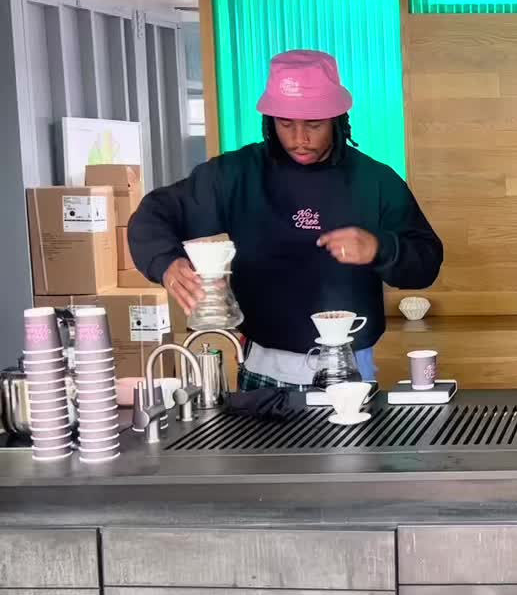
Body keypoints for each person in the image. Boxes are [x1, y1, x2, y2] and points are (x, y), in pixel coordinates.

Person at [129, 49, 444, 391]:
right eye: (285, 124)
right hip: (262, 368)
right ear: (270, 121)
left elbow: (426, 262)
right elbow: (154, 213)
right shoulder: (238, 174)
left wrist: (380, 248)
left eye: (314, 125)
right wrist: (166, 262)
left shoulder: (375, 181)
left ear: (337, 119)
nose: (299, 139)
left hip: (350, 369)